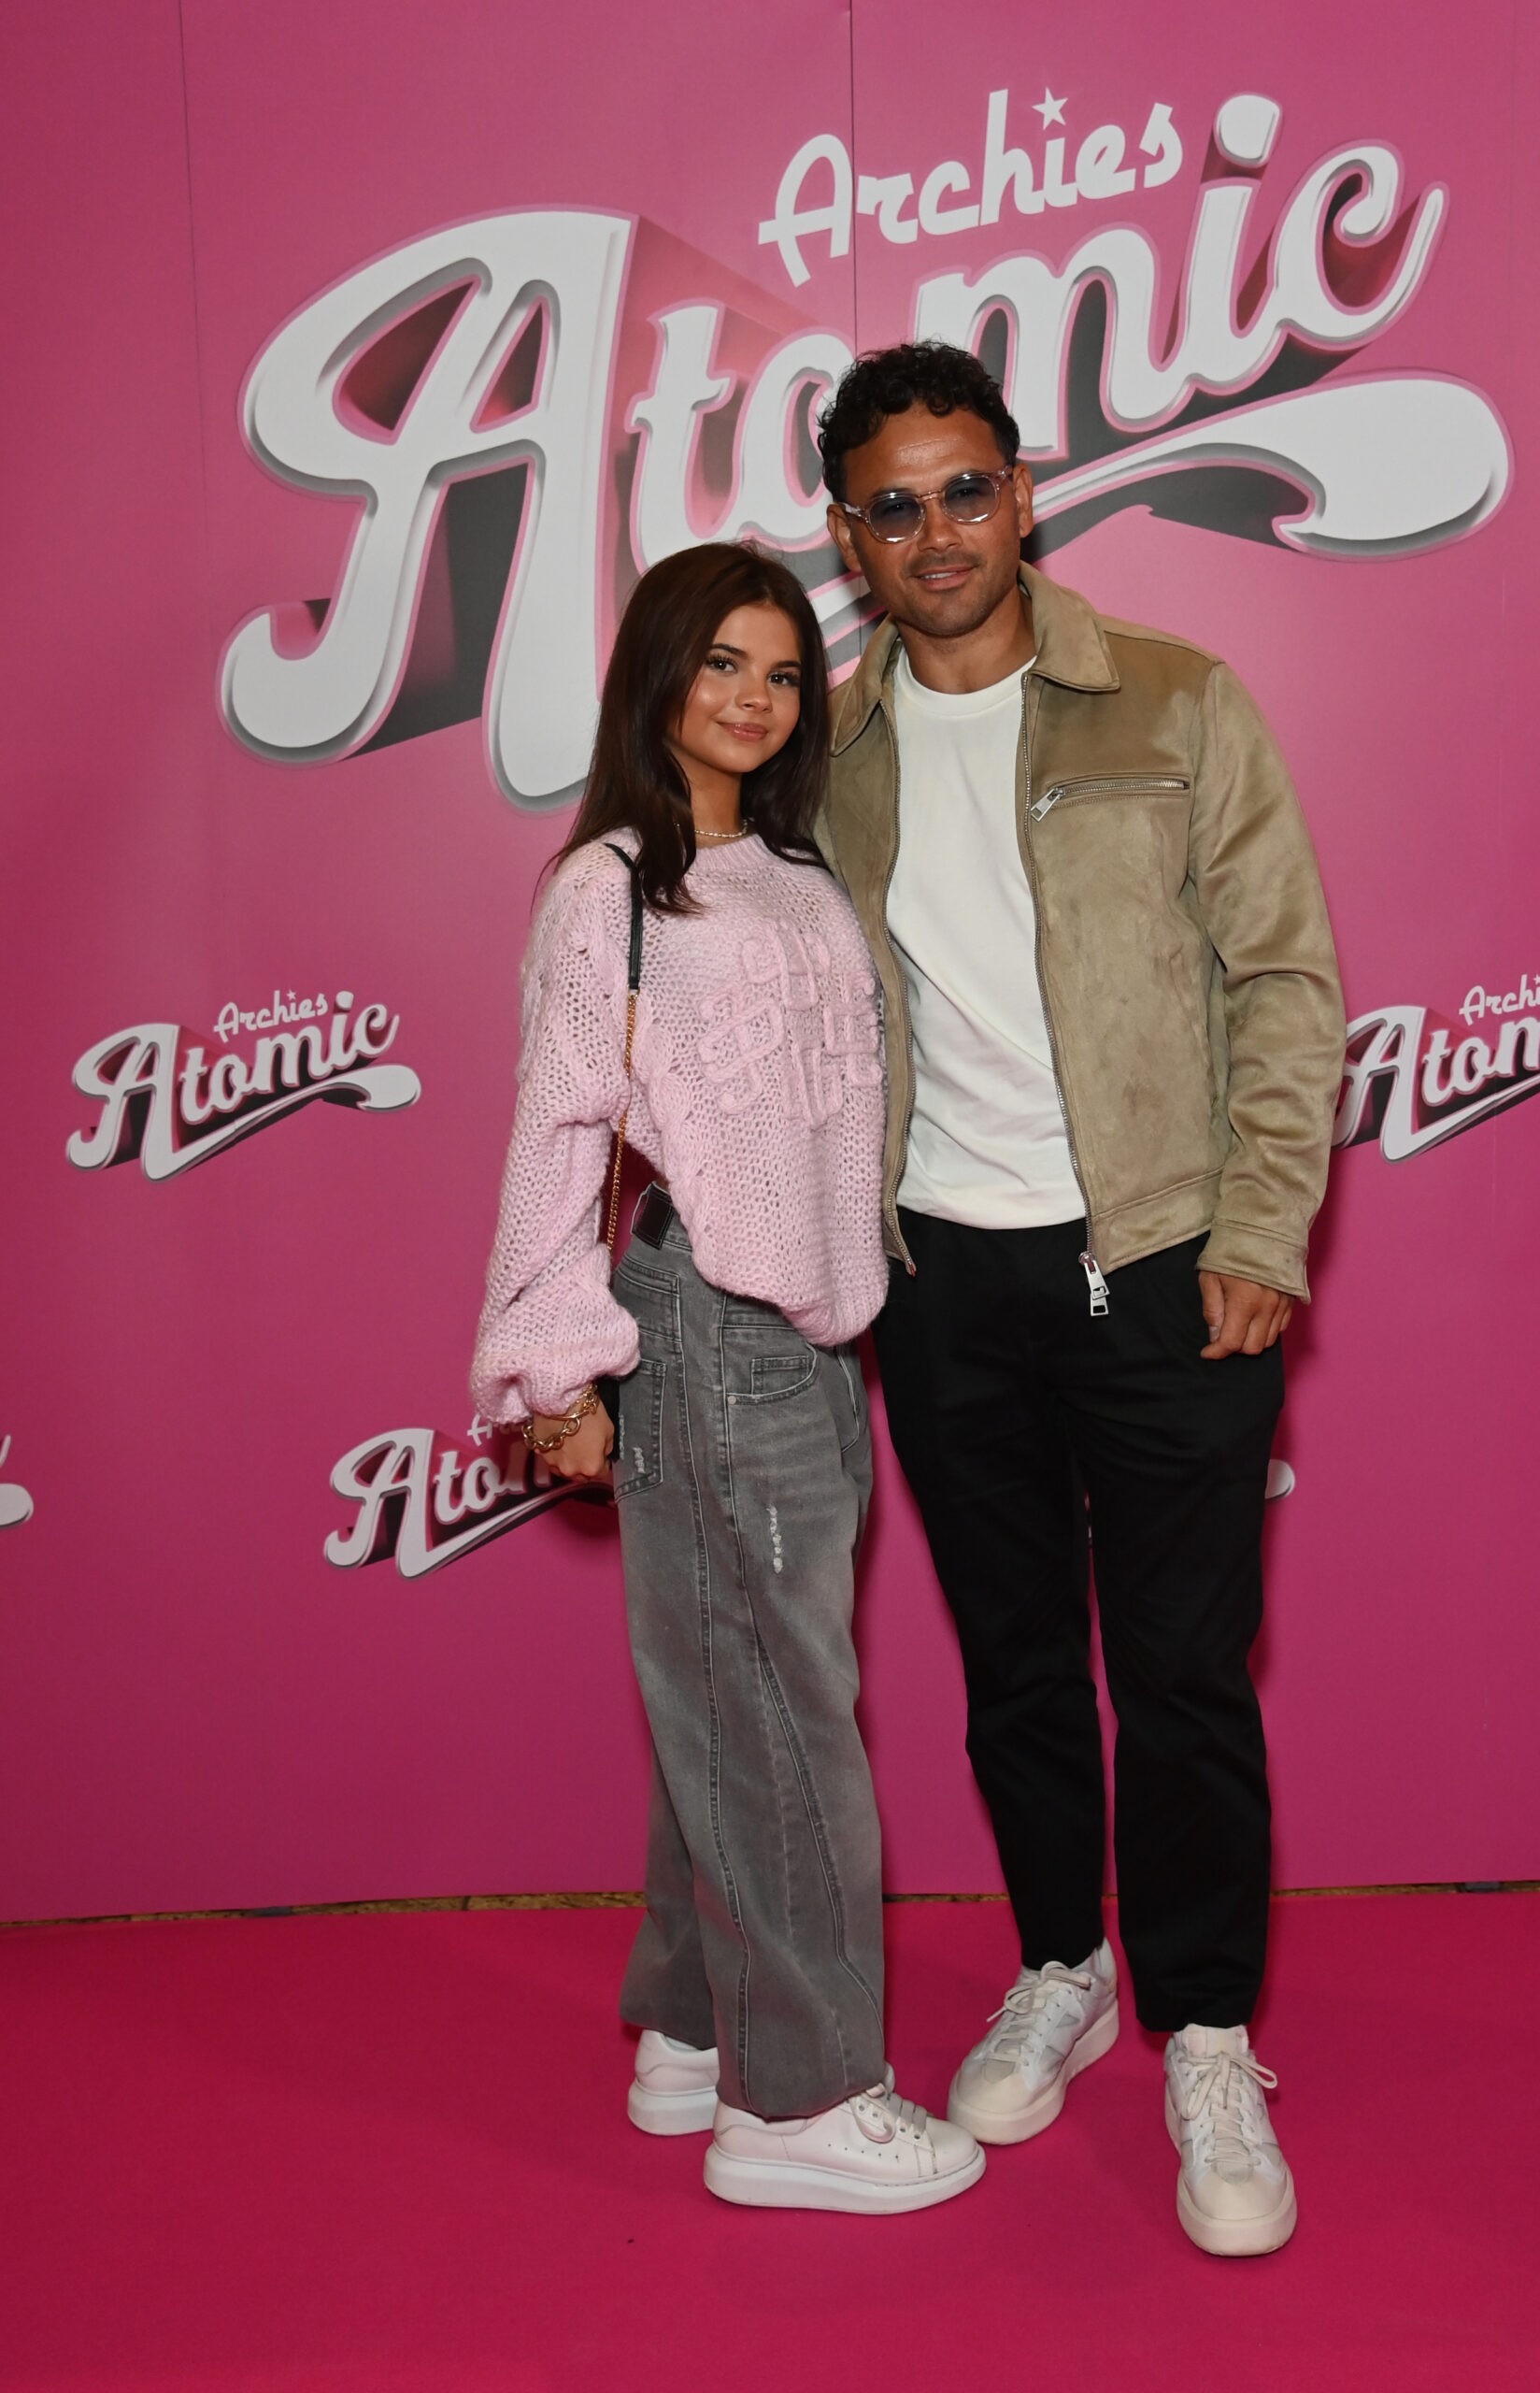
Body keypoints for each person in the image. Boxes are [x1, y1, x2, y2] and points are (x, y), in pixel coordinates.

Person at [815, 344, 1347, 2257]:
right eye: (896, 502)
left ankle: (1208, 2023)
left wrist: (1265, 1230)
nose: (937, 531)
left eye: (967, 488)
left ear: (1027, 491)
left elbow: (1283, 978)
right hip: (941, 1279)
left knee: (1185, 1674)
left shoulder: (1178, 701)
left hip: (1165, 1260)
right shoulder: (830, 753)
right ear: (849, 534)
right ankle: (1063, 1959)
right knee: (1021, 1663)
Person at [470, 541, 983, 2216]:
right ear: (656, 678)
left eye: (779, 670)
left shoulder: (788, 868)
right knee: (778, 1719)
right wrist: (555, 1359)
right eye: (721, 666)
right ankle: (802, 2098)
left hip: (819, 1341)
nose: (755, 698)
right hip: (701, 1326)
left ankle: (694, 2035)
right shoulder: (609, 886)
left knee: (734, 1692)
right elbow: (555, 1136)